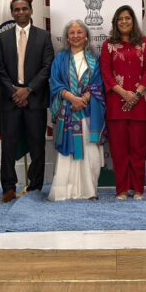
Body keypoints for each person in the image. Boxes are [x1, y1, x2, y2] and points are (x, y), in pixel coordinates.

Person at [0, 0, 54, 201]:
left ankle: (35, 188)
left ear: (31, 10)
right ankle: (8, 189)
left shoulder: (44, 36)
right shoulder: (2, 38)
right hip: (10, 100)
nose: (21, 12)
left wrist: (28, 90)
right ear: (12, 13)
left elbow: (47, 66)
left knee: (37, 146)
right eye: (17, 9)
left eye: (24, 8)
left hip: (34, 100)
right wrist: (15, 92)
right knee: (8, 147)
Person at [100, 6, 146, 201]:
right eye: (120, 19)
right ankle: (122, 189)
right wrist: (124, 93)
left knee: (139, 150)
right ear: (116, 22)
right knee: (119, 151)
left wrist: (136, 94)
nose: (124, 22)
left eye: (127, 18)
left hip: (140, 105)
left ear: (133, 21)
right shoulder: (108, 45)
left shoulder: (144, 43)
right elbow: (106, 74)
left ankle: (138, 189)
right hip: (116, 106)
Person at [48, 20, 107, 201]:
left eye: (79, 32)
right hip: (67, 110)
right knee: (67, 156)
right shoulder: (60, 58)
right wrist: (72, 99)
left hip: (88, 113)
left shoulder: (94, 58)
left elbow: (98, 83)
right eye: (72, 33)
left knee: (90, 152)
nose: (75, 36)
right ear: (67, 37)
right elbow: (55, 83)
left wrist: (84, 99)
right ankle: (65, 192)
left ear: (86, 36)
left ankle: (89, 191)